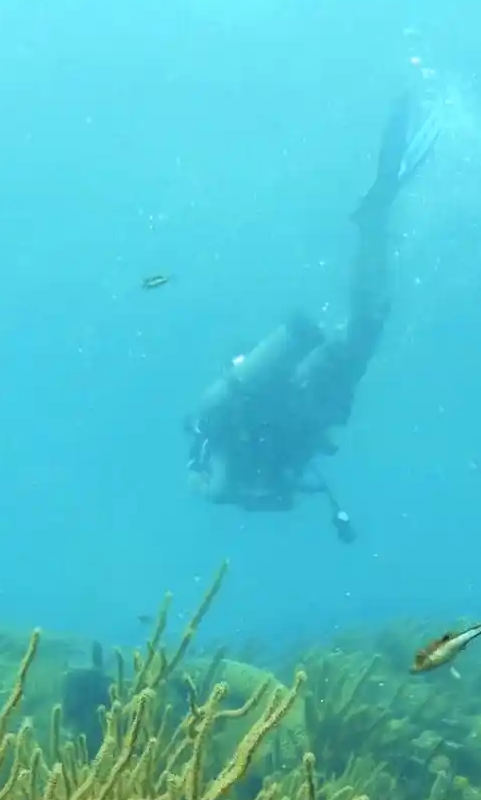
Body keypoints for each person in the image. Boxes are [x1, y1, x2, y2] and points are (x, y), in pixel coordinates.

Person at [184, 89, 441, 544]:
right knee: (368, 320)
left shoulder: (222, 451)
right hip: (306, 394)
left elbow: (223, 487)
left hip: (305, 397)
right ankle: (373, 228)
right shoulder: (231, 439)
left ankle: (373, 224)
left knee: (369, 323)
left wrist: (219, 491)